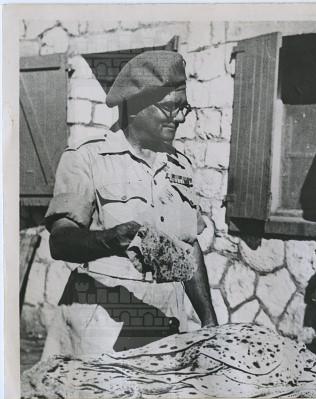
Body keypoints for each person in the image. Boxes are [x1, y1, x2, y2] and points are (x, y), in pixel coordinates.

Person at [44, 51, 218, 355]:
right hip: (102, 324)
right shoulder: (87, 158)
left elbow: (189, 247)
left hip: (165, 321)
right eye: (170, 108)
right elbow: (60, 242)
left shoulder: (180, 166)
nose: (180, 118)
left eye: (184, 108)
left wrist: (209, 321)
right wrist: (112, 239)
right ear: (135, 106)